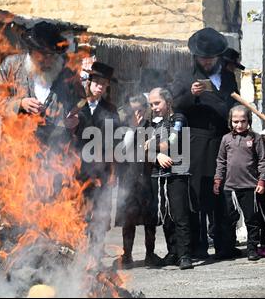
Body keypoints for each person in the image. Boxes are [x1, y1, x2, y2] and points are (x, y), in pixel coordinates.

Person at [168, 27, 239, 259]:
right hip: (196, 144)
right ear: (196, 57)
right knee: (196, 197)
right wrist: (192, 94)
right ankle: (197, 246)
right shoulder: (184, 77)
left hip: (221, 141)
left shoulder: (228, 77)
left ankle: (225, 245)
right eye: (202, 59)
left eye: (210, 59)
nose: (206, 63)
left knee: (222, 196)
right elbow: (175, 106)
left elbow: (233, 105)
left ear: (218, 57)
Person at [0, 21, 85, 148]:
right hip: (16, 151)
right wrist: (20, 104)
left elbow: (83, 106)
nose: (48, 61)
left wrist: (77, 119)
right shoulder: (11, 66)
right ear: (31, 52)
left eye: (52, 56)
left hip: (54, 154)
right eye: (43, 56)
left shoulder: (68, 74)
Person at [73, 61, 120, 248]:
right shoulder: (76, 106)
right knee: (79, 214)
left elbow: (115, 143)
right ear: (89, 82)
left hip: (102, 170)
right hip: (78, 169)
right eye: (97, 81)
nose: (100, 86)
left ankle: (96, 256)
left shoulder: (111, 110)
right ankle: (79, 255)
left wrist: (113, 172)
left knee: (100, 214)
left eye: (104, 83)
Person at [214, 105, 265, 261]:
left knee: (252, 219)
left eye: (243, 121)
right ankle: (229, 248)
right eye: (235, 121)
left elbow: (263, 161)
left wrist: (262, 180)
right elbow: (221, 161)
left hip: (250, 187)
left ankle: (252, 249)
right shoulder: (226, 139)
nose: (239, 125)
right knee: (229, 220)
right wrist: (218, 179)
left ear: (248, 121)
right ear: (230, 121)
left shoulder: (255, 138)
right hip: (229, 188)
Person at [147, 87, 193, 270]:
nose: (154, 108)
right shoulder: (151, 124)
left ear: (169, 102)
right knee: (165, 216)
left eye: (157, 103)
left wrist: (152, 146)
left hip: (177, 174)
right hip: (157, 175)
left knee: (179, 216)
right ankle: (172, 252)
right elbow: (141, 149)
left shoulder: (178, 119)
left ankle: (184, 255)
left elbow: (171, 143)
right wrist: (157, 156)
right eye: (151, 104)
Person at [113, 94, 162, 268]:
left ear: (146, 109)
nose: (137, 114)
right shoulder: (122, 128)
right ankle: (127, 255)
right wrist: (132, 129)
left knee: (150, 218)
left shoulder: (153, 127)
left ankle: (150, 253)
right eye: (133, 111)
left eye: (140, 110)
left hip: (148, 178)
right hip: (128, 178)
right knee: (128, 218)